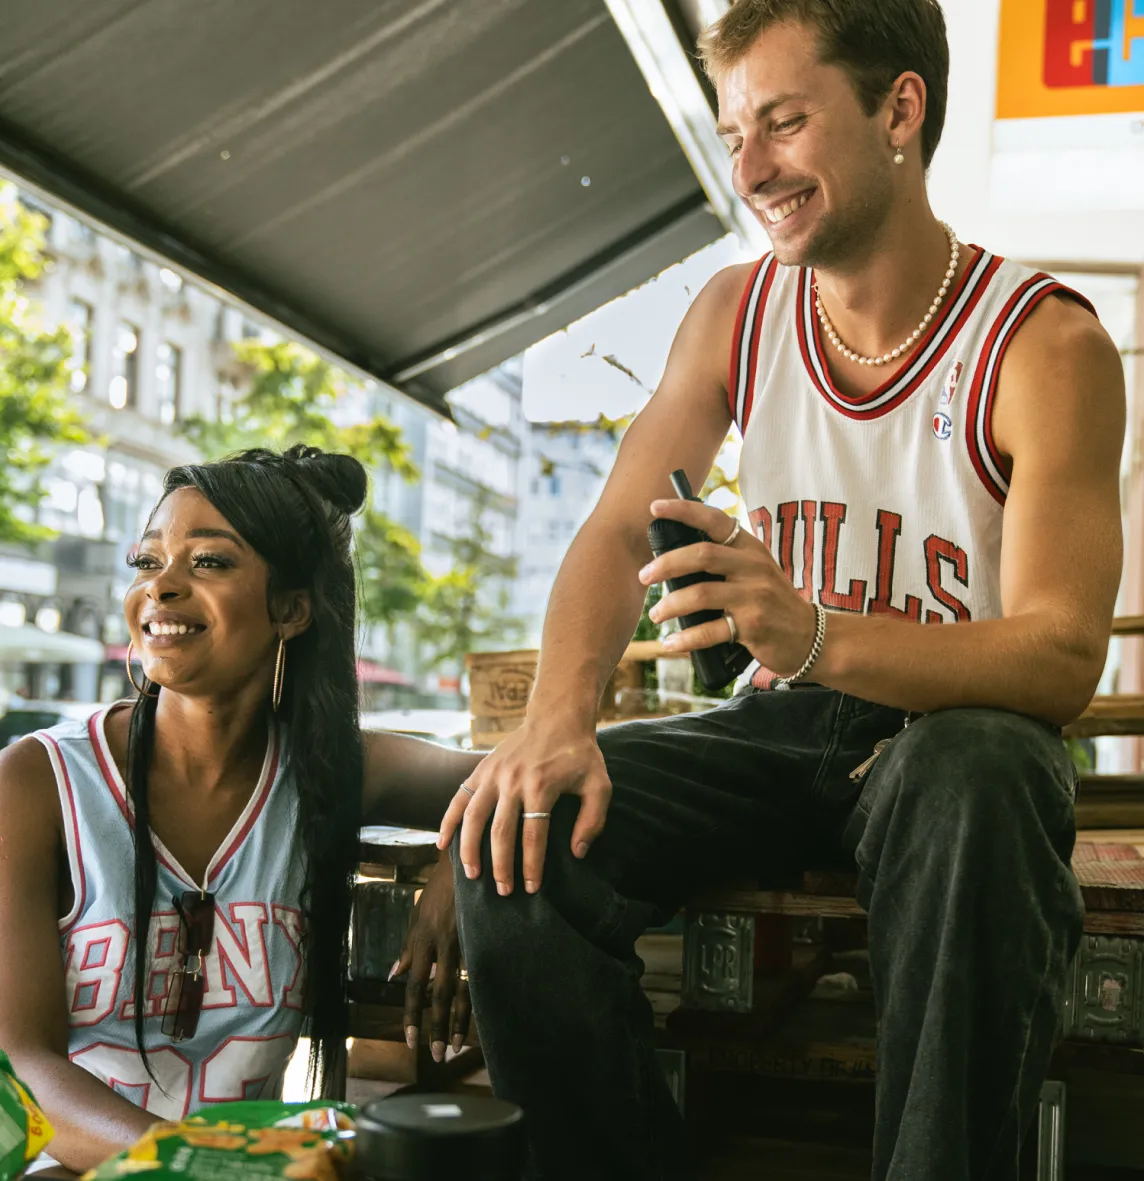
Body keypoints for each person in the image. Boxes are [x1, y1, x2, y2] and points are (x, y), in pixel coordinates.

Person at [400, 2, 1126, 1178]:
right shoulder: (737, 311)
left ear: (899, 109)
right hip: (783, 728)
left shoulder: (1044, 346)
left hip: (956, 744)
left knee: (981, 772)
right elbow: (613, 528)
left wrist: (815, 629)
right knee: (519, 836)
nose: (748, 171)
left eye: (783, 122)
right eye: (735, 134)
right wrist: (555, 721)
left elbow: (1058, 655)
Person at [0, 445, 483, 1175]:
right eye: (147, 561)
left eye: (208, 562)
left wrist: (458, 869)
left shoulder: (330, 771)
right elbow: (21, 1067)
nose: (160, 586)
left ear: (291, 609)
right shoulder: (38, 781)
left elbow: (528, 776)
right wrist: (202, 1161)